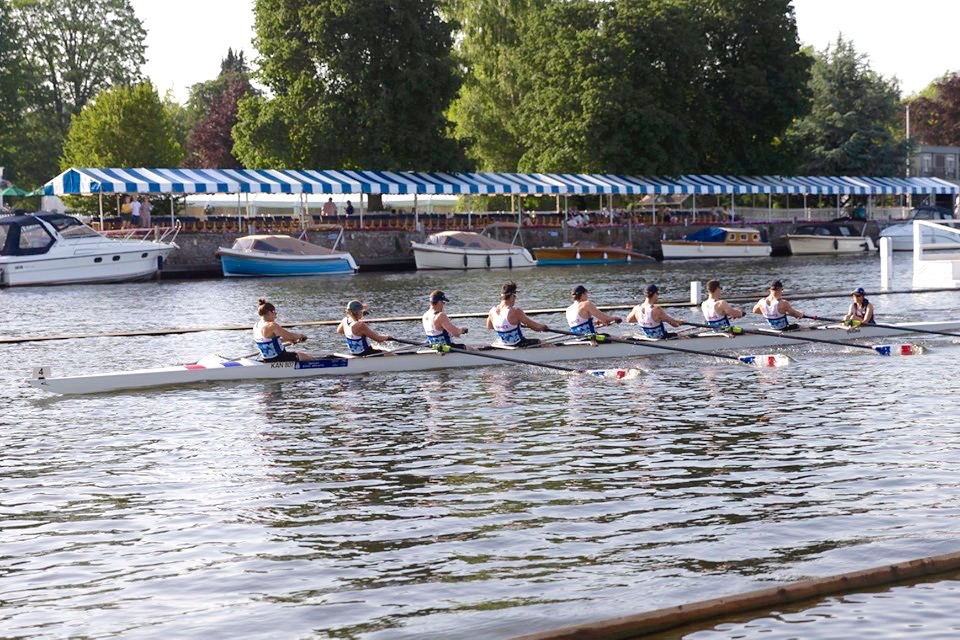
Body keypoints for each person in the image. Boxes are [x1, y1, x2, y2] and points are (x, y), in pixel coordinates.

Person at [486, 281, 548, 347]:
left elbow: (489, 327)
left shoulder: (492, 311)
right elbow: (534, 326)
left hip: (503, 345)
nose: (515, 299)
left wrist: (504, 326)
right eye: (515, 296)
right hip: (518, 344)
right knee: (544, 343)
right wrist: (544, 327)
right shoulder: (515, 311)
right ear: (512, 295)